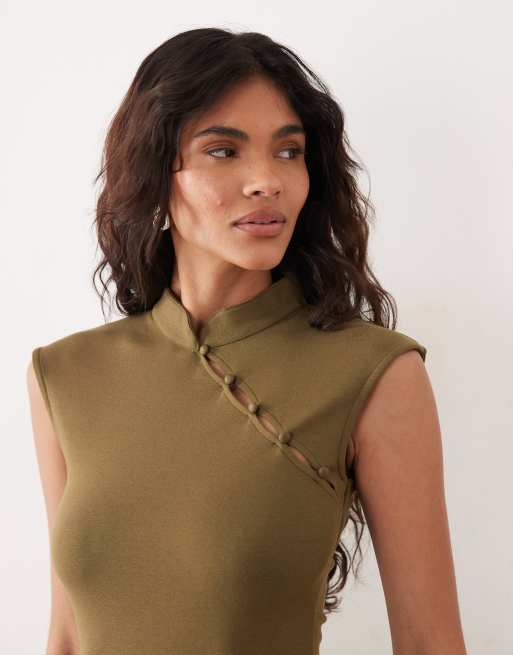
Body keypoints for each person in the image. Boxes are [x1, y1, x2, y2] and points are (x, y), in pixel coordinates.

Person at [26, 28, 467, 655]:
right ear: (155, 172)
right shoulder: (65, 374)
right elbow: (67, 635)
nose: (267, 180)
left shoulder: (375, 373)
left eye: (288, 152)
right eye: (223, 151)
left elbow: (429, 643)